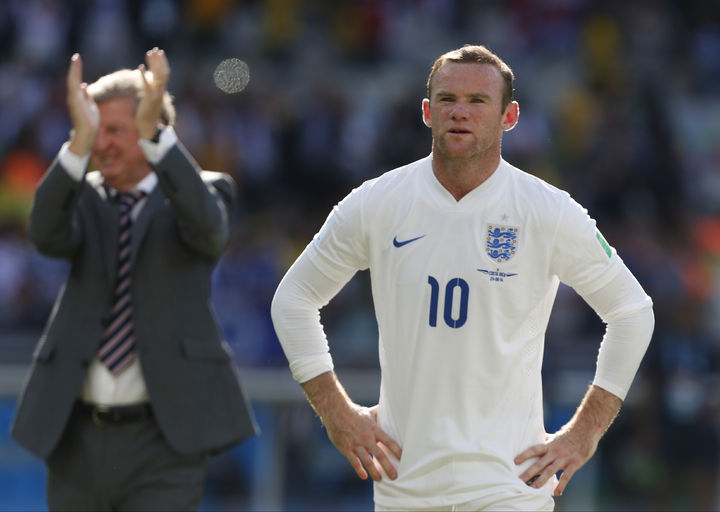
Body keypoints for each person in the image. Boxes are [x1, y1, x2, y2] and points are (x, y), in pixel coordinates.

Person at [271, 44, 654, 511]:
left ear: (509, 117)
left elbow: (633, 312)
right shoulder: (377, 203)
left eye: (478, 101)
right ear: (427, 111)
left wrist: (585, 431)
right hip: (404, 488)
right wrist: (337, 413)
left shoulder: (547, 211)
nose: (460, 112)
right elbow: (293, 300)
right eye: (448, 99)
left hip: (510, 489)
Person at [11, 48, 257, 510]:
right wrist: (76, 145)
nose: (102, 143)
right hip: (76, 438)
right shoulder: (79, 196)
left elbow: (209, 233)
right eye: (94, 130)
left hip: (165, 442)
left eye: (116, 131)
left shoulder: (201, 193)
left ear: (150, 129)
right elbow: (44, 235)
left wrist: (158, 139)